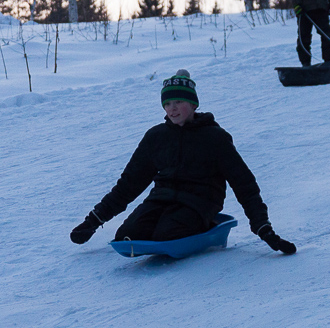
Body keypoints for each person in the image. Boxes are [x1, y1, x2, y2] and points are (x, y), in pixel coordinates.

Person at [70, 70, 296, 255]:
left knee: (167, 235)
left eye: (179, 101)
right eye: (167, 103)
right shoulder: (156, 137)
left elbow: (244, 184)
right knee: (127, 236)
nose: (172, 108)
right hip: (161, 200)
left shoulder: (214, 138)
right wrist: (93, 221)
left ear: (193, 104)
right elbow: (128, 184)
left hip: (199, 203)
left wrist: (263, 227)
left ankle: (209, 226)